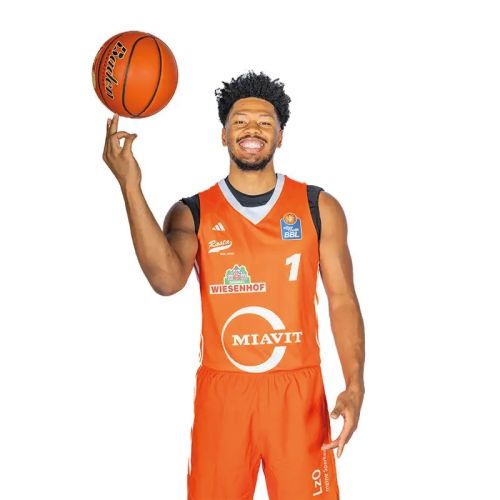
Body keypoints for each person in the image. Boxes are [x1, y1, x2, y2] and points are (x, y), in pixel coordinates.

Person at [102, 69, 365, 499]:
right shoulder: (192, 212)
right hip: (224, 394)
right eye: (240, 121)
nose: (252, 130)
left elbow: (343, 301)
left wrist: (354, 385)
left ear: (280, 136)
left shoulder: (318, 207)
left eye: (265, 122)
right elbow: (165, 281)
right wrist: (130, 185)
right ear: (223, 135)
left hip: (297, 392)